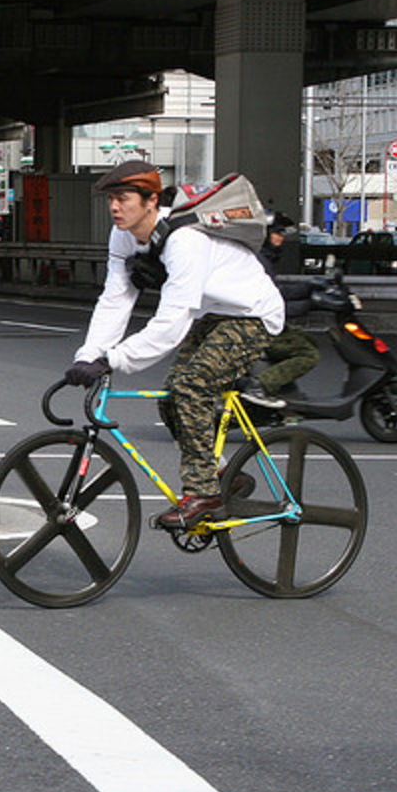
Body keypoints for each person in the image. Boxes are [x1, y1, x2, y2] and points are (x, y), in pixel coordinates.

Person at [67, 161, 285, 529]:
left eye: (123, 198)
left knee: (191, 386)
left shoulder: (185, 240)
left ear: (151, 201)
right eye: (111, 200)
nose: (114, 208)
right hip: (213, 314)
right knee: (172, 400)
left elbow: (171, 323)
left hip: (253, 314)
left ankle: (203, 492)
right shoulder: (123, 235)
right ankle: (226, 475)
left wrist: (114, 359)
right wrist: (88, 355)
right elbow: (116, 299)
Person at [237, 215, 321, 409]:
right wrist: (309, 304)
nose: (281, 238)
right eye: (277, 233)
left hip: (258, 323)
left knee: (308, 341)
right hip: (259, 327)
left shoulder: (260, 258)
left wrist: (311, 286)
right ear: (265, 234)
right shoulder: (259, 261)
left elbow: (277, 291)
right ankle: (260, 385)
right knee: (308, 354)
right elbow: (273, 302)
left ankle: (284, 391)